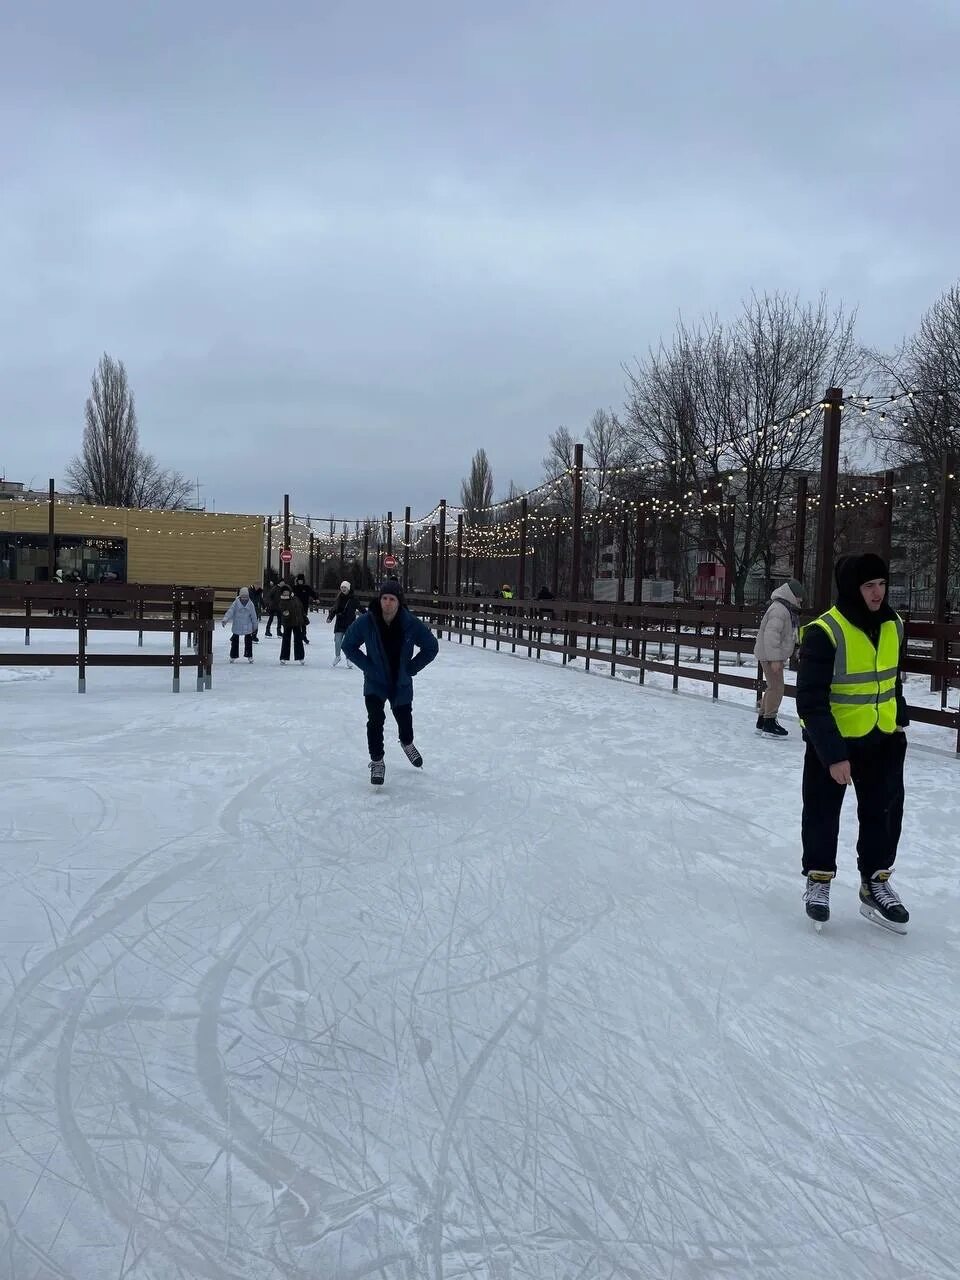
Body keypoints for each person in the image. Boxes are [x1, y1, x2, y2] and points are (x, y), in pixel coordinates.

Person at [796, 553, 910, 932]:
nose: (877, 593)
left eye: (881, 584)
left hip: (883, 739)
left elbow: (890, 677)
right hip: (834, 743)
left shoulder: (893, 623)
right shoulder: (824, 631)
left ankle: (874, 883)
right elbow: (810, 701)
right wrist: (833, 755)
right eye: (868, 586)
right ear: (851, 588)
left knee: (883, 814)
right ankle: (819, 879)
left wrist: (899, 720)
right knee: (822, 814)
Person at [342, 579, 439, 785]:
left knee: (405, 720)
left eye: (392, 599)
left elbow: (431, 647)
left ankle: (407, 743)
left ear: (398, 601)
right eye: (384, 598)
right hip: (375, 682)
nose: (387, 602)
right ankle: (377, 761)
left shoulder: (410, 623)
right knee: (375, 720)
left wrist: (410, 668)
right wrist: (368, 667)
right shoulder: (367, 621)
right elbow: (348, 645)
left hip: (400, 682)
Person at [753, 578, 804, 738]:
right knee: (777, 688)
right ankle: (769, 722)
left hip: (770, 654)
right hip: (770, 656)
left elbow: (786, 635)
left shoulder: (784, 609)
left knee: (772, 687)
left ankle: (762, 721)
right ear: (792, 595)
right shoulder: (780, 610)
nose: (801, 600)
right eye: (799, 597)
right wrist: (775, 659)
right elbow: (771, 635)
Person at [327, 579, 360, 666]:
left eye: (345, 587)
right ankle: (337, 656)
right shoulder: (339, 598)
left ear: (348, 588)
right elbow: (334, 609)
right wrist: (330, 617)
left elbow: (360, 608)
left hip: (350, 623)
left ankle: (348, 658)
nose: (343, 589)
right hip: (340, 623)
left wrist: (369, 615)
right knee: (337, 641)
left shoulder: (353, 599)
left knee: (347, 642)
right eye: (342, 587)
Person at [221, 587, 259, 662]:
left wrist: (255, 625)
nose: (244, 599)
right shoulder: (235, 603)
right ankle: (233, 656)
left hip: (247, 625)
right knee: (235, 640)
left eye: (246, 597)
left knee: (248, 641)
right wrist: (225, 619)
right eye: (243, 597)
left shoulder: (250, 604)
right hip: (237, 624)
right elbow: (230, 611)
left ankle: (249, 655)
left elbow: (254, 615)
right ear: (240, 596)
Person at [276, 583, 307, 664]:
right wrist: (286, 615)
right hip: (287, 623)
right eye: (284, 592)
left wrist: (304, 617)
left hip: (296, 622)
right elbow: (283, 610)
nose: (286, 593)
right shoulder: (282, 600)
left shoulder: (295, 598)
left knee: (298, 640)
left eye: (287, 591)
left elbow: (300, 608)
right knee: (286, 640)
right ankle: (284, 657)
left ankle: (300, 657)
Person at [292, 573, 318, 643]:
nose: (300, 582)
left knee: (303, 622)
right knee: (297, 623)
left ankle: (304, 635)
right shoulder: (294, 588)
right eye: (299, 580)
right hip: (296, 608)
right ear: (297, 581)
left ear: (303, 581)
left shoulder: (307, 588)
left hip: (304, 607)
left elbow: (312, 593)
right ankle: (298, 636)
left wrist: (316, 598)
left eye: (301, 580)